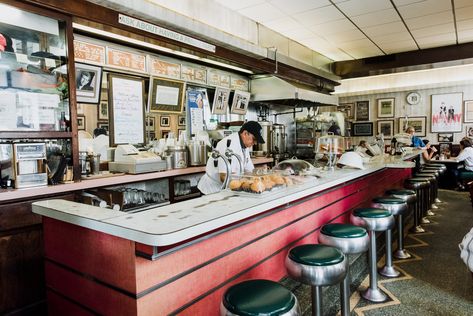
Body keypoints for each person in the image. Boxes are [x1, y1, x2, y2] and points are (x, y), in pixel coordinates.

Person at [197, 121, 265, 195]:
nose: (255, 143)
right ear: (245, 133)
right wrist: (244, 183)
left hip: (227, 189)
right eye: (254, 139)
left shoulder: (245, 146)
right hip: (211, 190)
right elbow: (223, 177)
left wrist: (260, 172)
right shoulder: (227, 145)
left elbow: (249, 171)